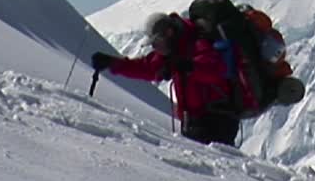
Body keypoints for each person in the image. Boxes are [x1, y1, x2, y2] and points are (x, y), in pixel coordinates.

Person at [90, 12, 259, 146]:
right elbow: (147, 68)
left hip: (218, 120)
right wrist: (113, 63)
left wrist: (190, 67)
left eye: (156, 43)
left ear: (168, 34)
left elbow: (215, 70)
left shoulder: (198, 43)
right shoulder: (172, 51)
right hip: (193, 122)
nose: (156, 49)